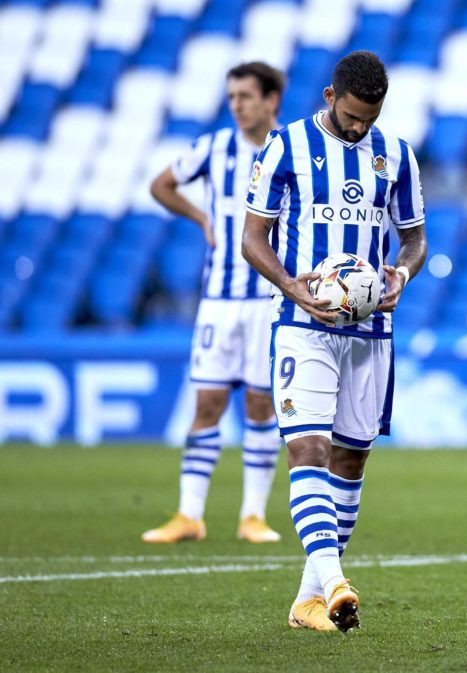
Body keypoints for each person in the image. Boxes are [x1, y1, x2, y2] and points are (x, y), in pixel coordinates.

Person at [242, 50, 427, 633]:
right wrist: (293, 288)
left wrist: (400, 274)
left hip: (371, 330)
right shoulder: (285, 146)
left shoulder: (396, 154)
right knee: (308, 450)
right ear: (329, 96)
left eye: (369, 118)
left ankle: (308, 599)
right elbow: (252, 238)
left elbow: (415, 240)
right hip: (304, 324)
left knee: (351, 458)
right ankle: (335, 578)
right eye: (351, 116)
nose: (359, 127)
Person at [143, 62, 288, 545]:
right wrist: (202, 219)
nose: (236, 104)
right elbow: (161, 185)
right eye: (231, 96)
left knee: (260, 403)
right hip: (219, 300)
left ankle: (252, 515)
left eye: (245, 95)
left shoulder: (289, 150)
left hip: (267, 297)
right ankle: (190, 514)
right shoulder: (213, 148)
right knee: (206, 402)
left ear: (271, 100)